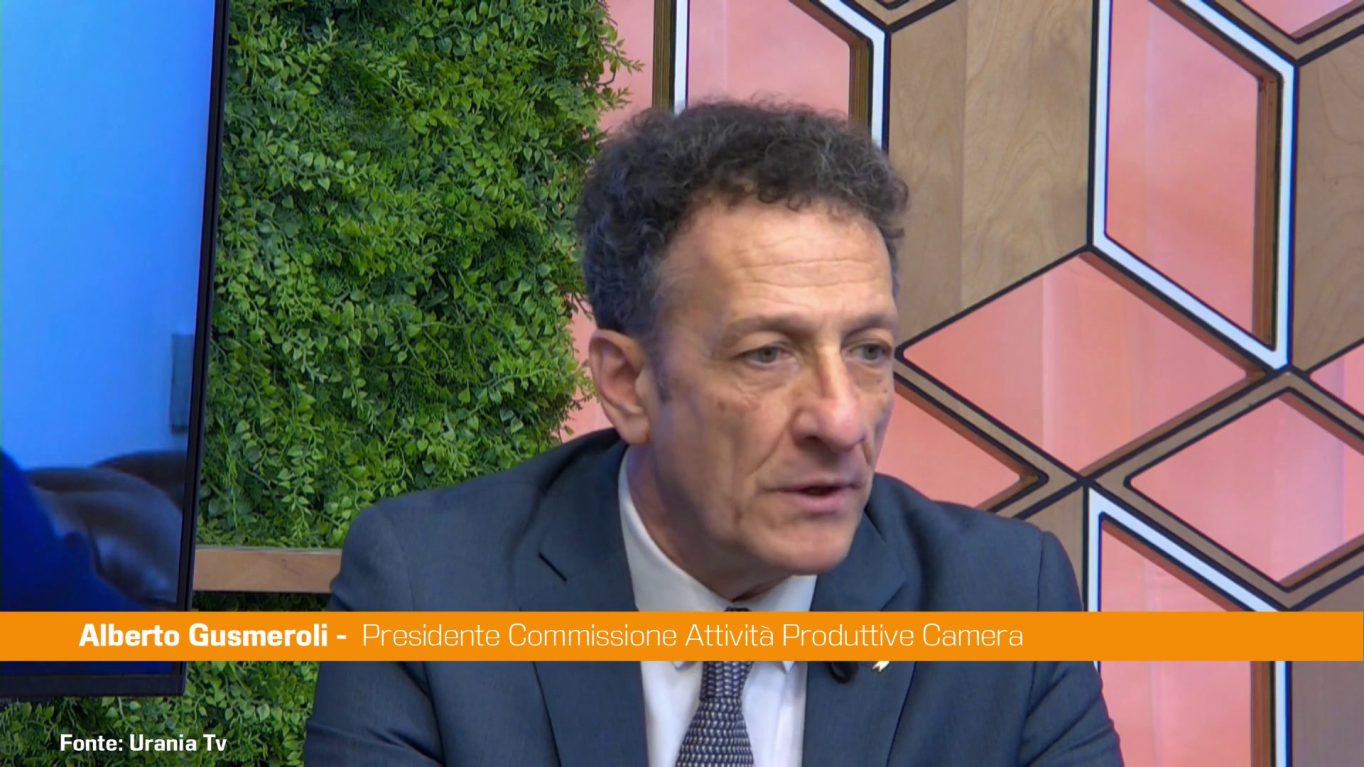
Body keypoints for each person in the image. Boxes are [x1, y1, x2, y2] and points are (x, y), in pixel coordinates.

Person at [305, 102, 1123, 766]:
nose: (842, 420)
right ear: (627, 384)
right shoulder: (432, 591)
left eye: (868, 351)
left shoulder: (1005, 602)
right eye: (768, 354)